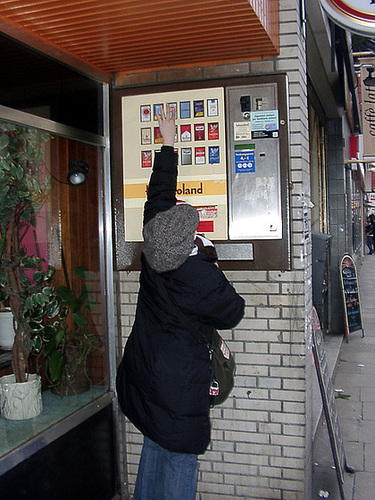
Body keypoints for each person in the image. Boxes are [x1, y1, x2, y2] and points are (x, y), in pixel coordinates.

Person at [116, 104, 245, 500]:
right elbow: (233, 311)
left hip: (145, 371)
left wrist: (167, 142)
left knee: (155, 443)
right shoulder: (200, 276)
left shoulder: (154, 243)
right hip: (178, 386)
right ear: (189, 238)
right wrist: (214, 262)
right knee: (180, 457)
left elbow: (159, 192)